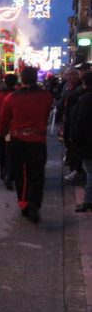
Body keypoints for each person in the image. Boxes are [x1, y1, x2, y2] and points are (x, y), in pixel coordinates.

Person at [0, 66, 53, 224]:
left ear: (22, 79)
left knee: (21, 174)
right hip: (38, 141)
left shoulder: (12, 97)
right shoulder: (46, 96)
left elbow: (4, 118)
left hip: (19, 140)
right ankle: (35, 203)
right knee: (37, 173)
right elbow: (46, 113)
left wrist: (2, 133)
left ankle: (25, 205)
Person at [72, 71, 92, 212]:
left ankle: (88, 201)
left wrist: (74, 138)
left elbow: (81, 122)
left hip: (88, 142)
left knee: (90, 171)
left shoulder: (85, 99)